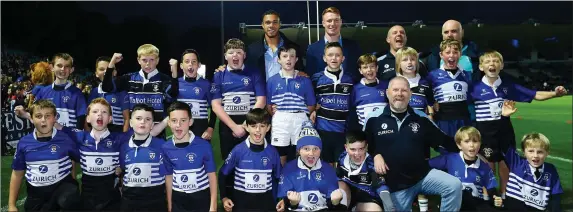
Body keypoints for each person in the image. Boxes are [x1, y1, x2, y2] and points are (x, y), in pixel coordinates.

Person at [471, 50, 568, 200]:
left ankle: (505, 196)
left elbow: (534, 94)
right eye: (488, 61)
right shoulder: (474, 87)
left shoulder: (508, 86)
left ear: (502, 66)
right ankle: (488, 198)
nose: (492, 64)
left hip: (504, 130)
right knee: (487, 166)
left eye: (496, 61)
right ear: (481, 67)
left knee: (506, 165)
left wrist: (555, 93)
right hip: (485, 131)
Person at [363, 76, 462, 211]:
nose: (399, 94)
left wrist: (468, 146)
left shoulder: (421, 118)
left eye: (404, 90)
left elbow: (444, 141)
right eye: (395, 90)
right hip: (394, 184)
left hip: (422, 176)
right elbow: (362, 147)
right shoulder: (373, 118)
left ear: (410, 94)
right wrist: (375, 155)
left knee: (453, 185)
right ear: (387, 93)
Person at [8, 100, 81, 212]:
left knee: (69, 198)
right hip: (36, 194)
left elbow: (80, 158)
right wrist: (11, 205)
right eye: (38, 116)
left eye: (48, 116)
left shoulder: (66, 139)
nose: (43, 120)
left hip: (61, 188)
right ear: (31, 119)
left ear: (55, 118)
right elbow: (17, 174)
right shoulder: (24, 143)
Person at [55, 98, 123, 211]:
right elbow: (56, 125)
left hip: (111, 200)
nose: (99, 115)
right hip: (88, 200)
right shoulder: (80, 136)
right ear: (88, 118)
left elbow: (142, 135)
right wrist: (28, 115)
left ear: (110, 119)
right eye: (95, 112)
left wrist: (122, 166)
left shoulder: (119, 138)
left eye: (104, 112)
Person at [394, 47, 435, 211]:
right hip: (400, 136)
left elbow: (431, 107)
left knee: (422, 171)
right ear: (399, 64)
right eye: (405, 60)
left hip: (421, 135)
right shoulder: (393, 82)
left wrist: (430, 116)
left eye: (412, 59)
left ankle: (423, 206)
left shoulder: (425, 83)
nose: (409, 63)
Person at [211, 38, 266, 160]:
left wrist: (246, 124)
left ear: (244, 55)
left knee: (251, 161)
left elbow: (261, 100)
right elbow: (216, 105)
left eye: (239, 52)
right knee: (229, 164)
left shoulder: (254, 72)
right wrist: (234, 127)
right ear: (225, 56)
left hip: (250, 124)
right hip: (227, 125)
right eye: (231, 52)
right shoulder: (218, 75)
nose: (235, 55)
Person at [218, 108, 281, 211]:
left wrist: (281, 199)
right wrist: (224, 197)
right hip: (242, 206)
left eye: (262, 126)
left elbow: (279, 178)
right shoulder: (238, 150)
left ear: (268, 128)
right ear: (246, 127)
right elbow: (222, 174)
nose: (258, 130)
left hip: (266, 206)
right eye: (253, 126)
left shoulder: (273, 152)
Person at [102, 44, 179, 128]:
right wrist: (111, 63)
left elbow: (173, 95)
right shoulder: (129, 78)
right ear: (138, 60)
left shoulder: (164, 79)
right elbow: (106, 87)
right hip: (134, 131)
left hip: (157, 132)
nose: (148, 64)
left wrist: (174, 75)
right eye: (144, 60)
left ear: (157, 60)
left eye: (152, 60)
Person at [429, 126, 503, 211]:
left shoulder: (484, 167)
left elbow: (492, 191)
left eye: (475, 141)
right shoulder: (449, 159)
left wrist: (496, 200)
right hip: (453, 204)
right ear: (459, 145)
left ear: (480, 144)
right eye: (467, 141)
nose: (471, 145)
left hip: (474, 205)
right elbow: (425, 165)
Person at [161, 101, 218, 212]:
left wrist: (213, 206)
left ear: (190, 122)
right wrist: (170, 205)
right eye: (174, 121)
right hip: (178, 200)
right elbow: (168, 177)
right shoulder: (165, 148)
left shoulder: (203, 145)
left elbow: (212, 176)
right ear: (168, 123)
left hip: (201, 199)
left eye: (183, 120)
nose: (178, 125)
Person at [277, 121, 345, 211]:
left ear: (320, 151)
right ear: (298, 150)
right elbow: (283, 204)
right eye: (306, 149)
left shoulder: (328, 169)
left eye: (315, 149)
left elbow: (331, 205)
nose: (311, 153)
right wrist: (293, 203)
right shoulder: (289, 169)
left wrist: (335, 203)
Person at [266, 45, 316, 165]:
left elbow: (311, 104)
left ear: (296, 59)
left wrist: (300, 111)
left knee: (300, 152)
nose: (288, 59)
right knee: (280, 154)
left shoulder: (305, 80)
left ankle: (298, 181)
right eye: (284, 56)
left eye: (292, 56)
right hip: (280, 119)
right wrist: (280, 113)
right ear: (278, 60)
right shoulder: (272, 81)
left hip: (300, 119)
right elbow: (268, 105)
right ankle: (281, 181)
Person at [310, 42, 354, 166]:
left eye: (337, 55)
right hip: (323, 131)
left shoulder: (350, 80)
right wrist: (313, 110)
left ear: (343, 58)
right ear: (324, 58)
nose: (334, 58)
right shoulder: (316, 79)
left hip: (343, 132)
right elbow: (310, 101)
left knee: (342, 169)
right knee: (326, 168)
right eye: (330, 55)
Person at [118, 104, 167, 211]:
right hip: (129, 201)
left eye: (147, 119)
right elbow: (122, 171)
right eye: (138, 118)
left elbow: (168, 175)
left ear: (152, 125)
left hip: (155, 202)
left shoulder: (162, 146)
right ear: (131, 122)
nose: (143, 122)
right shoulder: (124, 147)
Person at [503, 132, 563, 212]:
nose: (535, 155)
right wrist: (505, 120)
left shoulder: (551, 170)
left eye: (540, 152)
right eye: (531, 151)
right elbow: (505, 140)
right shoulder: (516, 163)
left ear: (547, 153)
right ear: (524, 152)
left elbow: (556, 196)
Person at [426, 39, 473, 139]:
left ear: (460, 54)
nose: (451, 55)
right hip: (443, 121)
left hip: (464, 120)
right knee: (446, 152)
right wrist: (431, 106)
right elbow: (426, 94)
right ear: (441, 55)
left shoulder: (467, 75)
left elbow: (470, 98)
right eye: (447, 52)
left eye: (455, 52)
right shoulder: (433, 75)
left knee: (464, 151)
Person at [336, 130, 394, 211]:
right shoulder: (342, 158)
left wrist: (390, 206)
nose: (357, 154)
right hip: (349, 195)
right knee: (339, 188)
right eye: (353, 149)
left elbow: (380, 187)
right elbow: (337, 176)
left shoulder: (371, 164)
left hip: (366, 198)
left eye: (361, 149)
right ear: (346, 148)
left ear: (366, 147)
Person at [306, 7, 362, 82]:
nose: (333, 24)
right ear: (323, 23)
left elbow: (359, 73)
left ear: (341, 22)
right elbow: (309, 76)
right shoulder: (312, 49)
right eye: (329, 21)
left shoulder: (353, 47)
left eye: (336, 20)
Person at [247, 9, 305, 80]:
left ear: (280, 24)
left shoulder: (294, 48)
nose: (271, 25)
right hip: (262, 90)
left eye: (275, 22)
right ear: (262, 25)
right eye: (268, 22)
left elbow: (301, 73)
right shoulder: (252, 50)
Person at [34, 53, 87, 129]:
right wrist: (24, 113)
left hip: (69, 139)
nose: (63, 69)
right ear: (52, 67)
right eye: (59, 65)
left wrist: (76, 138)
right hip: (48, 138)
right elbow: (36, 115)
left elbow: (80, 121)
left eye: (67, 66)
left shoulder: (77, 93)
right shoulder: (43, 92)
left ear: (71, 70)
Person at [172, 49, 216, 141]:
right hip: (181, 129)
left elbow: (214, 107)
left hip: (202, 131)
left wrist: (210, 128)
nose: (190, 64)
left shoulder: (206, 84)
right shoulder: (176, 84)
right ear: (181, 65)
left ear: (198, 65)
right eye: (187, 61)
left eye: (194, 62)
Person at [347, 53, 388, 132]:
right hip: (364, 131)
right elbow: (351, 113)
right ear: (360, 71)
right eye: (365, 67)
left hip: (384, 129)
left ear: (377, 68)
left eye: (372, 66)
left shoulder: (386, 86)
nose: (369, 70)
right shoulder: (355, 89)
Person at [88, 56, 130, 133]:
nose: (105, 72)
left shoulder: (121, 92)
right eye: (101, 69)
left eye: (108, 69)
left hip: (116, 133)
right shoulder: (94, 92)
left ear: (114, 72)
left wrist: (124, 138)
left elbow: (127, 119)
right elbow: (87, 116)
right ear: (96, 73)